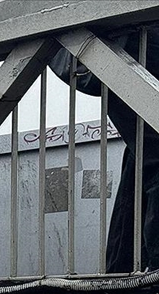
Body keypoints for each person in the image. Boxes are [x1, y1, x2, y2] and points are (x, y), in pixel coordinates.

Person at [49, 27, 159, 273]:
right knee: (150, 153)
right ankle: (133, 273)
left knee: (143, 157)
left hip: (123, 38)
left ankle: (123, 273)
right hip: (119, 40)